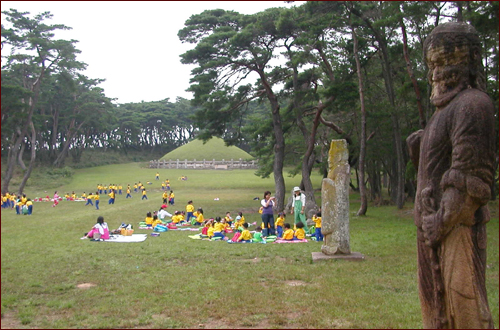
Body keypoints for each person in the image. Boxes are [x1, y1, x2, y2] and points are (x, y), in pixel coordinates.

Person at [406, 22, 495, 329]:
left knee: (464, 309)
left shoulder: (473, 105)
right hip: (430, 227)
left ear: (470, 59)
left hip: (457, 227)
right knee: (434, 311)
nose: (438, 73)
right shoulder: (442, 113)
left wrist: (440, 219)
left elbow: (470, 179)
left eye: (446, 62)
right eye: (433, 65)